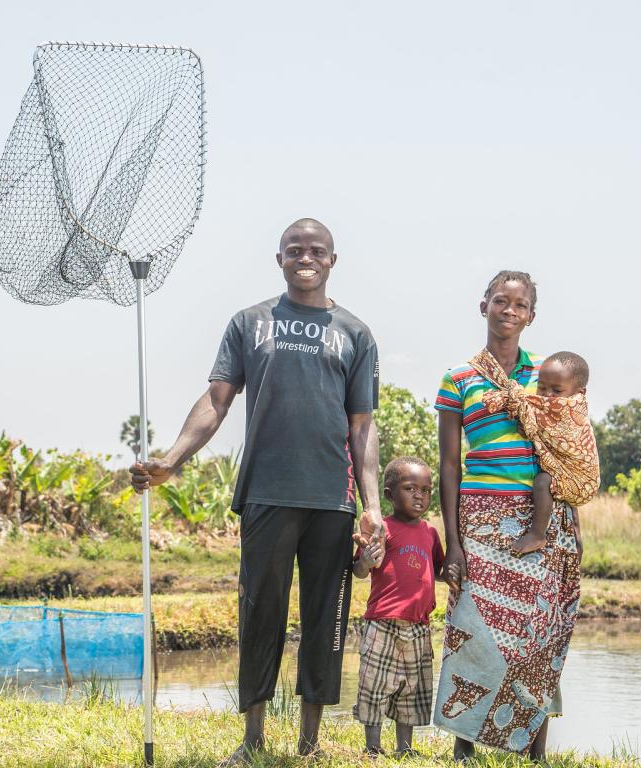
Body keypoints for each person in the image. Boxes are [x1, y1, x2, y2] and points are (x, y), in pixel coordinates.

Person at [130, 218, 383, 765]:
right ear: (280, 259)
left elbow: (362, 426)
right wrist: (171, 460)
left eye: (316, 250)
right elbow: (217, 400)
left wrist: (373, 508)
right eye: (295, 250)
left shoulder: (355, 333)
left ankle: (311, 744)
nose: (305, 257)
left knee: (325, 622)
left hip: (332, 500)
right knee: (259, 614)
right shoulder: (250, 322)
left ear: (333, 260)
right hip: (267, 492)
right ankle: (252, 740)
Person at [431, 270, 582, 761]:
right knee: (474, 630)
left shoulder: (548, 375)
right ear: (484, 306)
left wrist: (568, 524)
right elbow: (449, 465)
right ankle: (463, 750)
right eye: (501, 301)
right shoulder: (459, 378)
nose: (509, 311)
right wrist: (452, 541)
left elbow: (568, 447)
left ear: (531, 316)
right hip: (479, 518)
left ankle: (534, 752)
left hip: (540, 519)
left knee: (537, 636)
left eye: (520, 305)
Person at [351, 456, 444, 757]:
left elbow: (439, 570)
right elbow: (360, 570)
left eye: (427, 490)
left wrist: (455, 571)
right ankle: (372, 747)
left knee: (412, 689)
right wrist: (364, 560)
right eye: (410, 488)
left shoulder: (430, 533)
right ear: (389, 495)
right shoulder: (382, 529)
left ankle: (406, 749)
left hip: (419, 625)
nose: (420, 495)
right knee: (374, 685)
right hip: (382, 622)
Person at [469, 350, 599, 556]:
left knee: (542, 482)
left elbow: (554, 432)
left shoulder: (571, 409)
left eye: (556, 390)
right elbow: (536, 428)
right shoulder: (547, 405)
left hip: (578, 478)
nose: (547, 395)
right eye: (542, 387)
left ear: (579, 393)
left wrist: (528, 423)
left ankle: (538, 534)